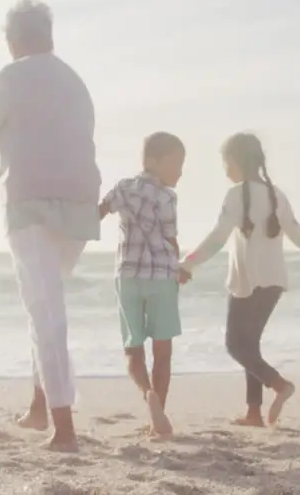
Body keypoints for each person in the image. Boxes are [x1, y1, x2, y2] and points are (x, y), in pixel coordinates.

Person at [0, 0, 102, 452]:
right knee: (47, 304)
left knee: (45, 312)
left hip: (29, 203)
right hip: (79, 206)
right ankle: (38, 406)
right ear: (49, 35)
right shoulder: (75, 81)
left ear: (14, 39)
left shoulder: (11, 77)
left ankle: (64, 428)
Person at [179, 133, 300, 427]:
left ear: (236, 161)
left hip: (247, 282)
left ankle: (278, 384)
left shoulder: (235, 195)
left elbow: (216, 238)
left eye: (225, 162)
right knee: (249, 345)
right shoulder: (277, 195)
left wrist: (187, 264)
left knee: (236, 346)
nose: (225, 169)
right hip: (274, 281)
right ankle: (253, 412)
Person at [99, 132, 186, 437]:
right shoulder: (167, 197)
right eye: (175, 163)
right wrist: (180, 268)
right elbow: (170, 241)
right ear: (153, 161)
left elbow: (97, 213)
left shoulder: (123, 187)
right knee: (163, 353)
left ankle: (146, 393)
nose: (180, 171)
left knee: (133, 351)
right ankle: (157, 415)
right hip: (161, 277)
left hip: (127, 276)